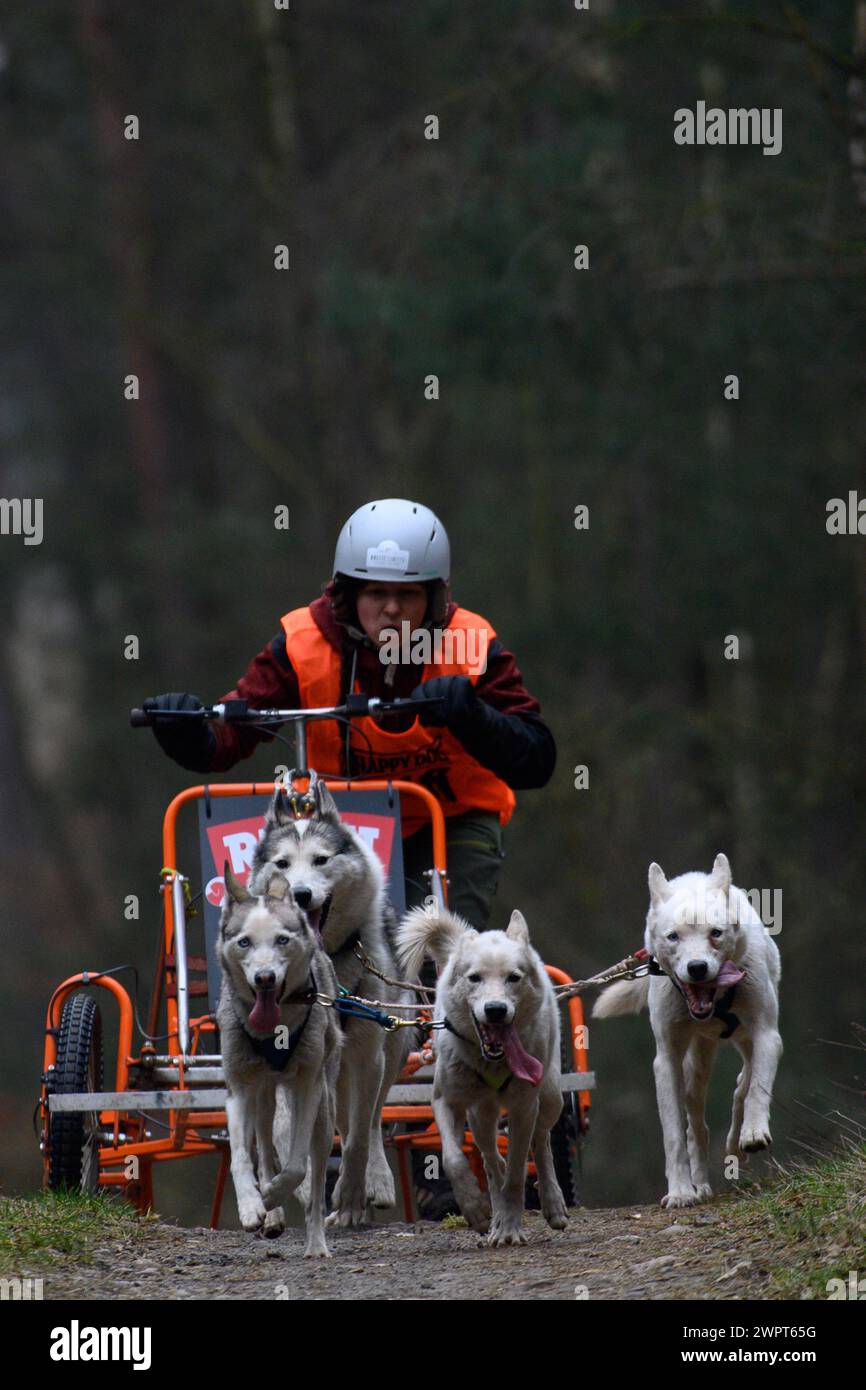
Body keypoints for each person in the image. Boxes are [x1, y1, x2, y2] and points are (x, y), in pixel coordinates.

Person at [144, 498, 556, 931]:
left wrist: (475, 716)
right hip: (340, 827)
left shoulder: (469, 643)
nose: (392, 609)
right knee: (308, 943)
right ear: (348, 594)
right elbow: (228, 739)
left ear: (433, 599)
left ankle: (430, 994)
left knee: (432, 946)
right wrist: (185, 733)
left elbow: (537, 760)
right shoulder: (302, 645)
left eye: (407, 594)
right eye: (377, 592)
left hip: (452, 821)